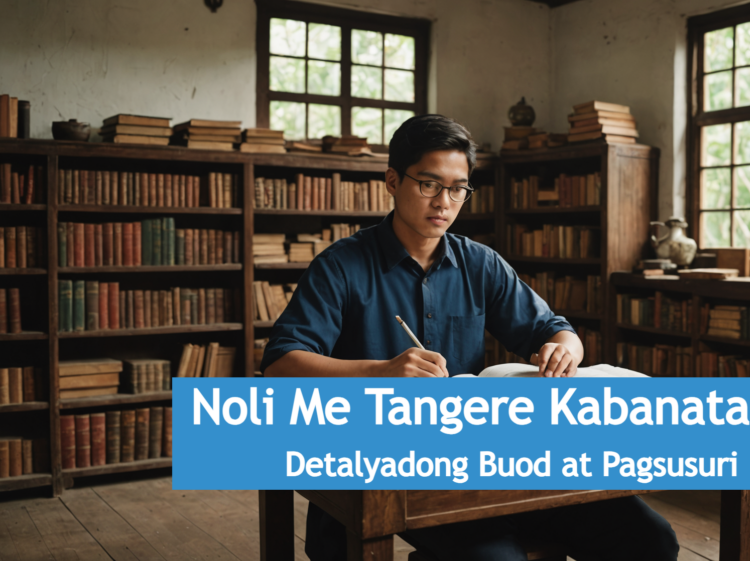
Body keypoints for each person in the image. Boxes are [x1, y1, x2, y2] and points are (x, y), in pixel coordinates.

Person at [260, 114, 678, 561]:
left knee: (652, 540)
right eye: (429, 184)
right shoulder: (341, 265)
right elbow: (281, 364)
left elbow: (553, 328)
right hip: (389, 466)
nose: (444, 201)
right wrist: (382, 371)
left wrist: (564, 349)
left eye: (458, 188)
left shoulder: (481, 263)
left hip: (483, 460)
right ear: (392, 180)